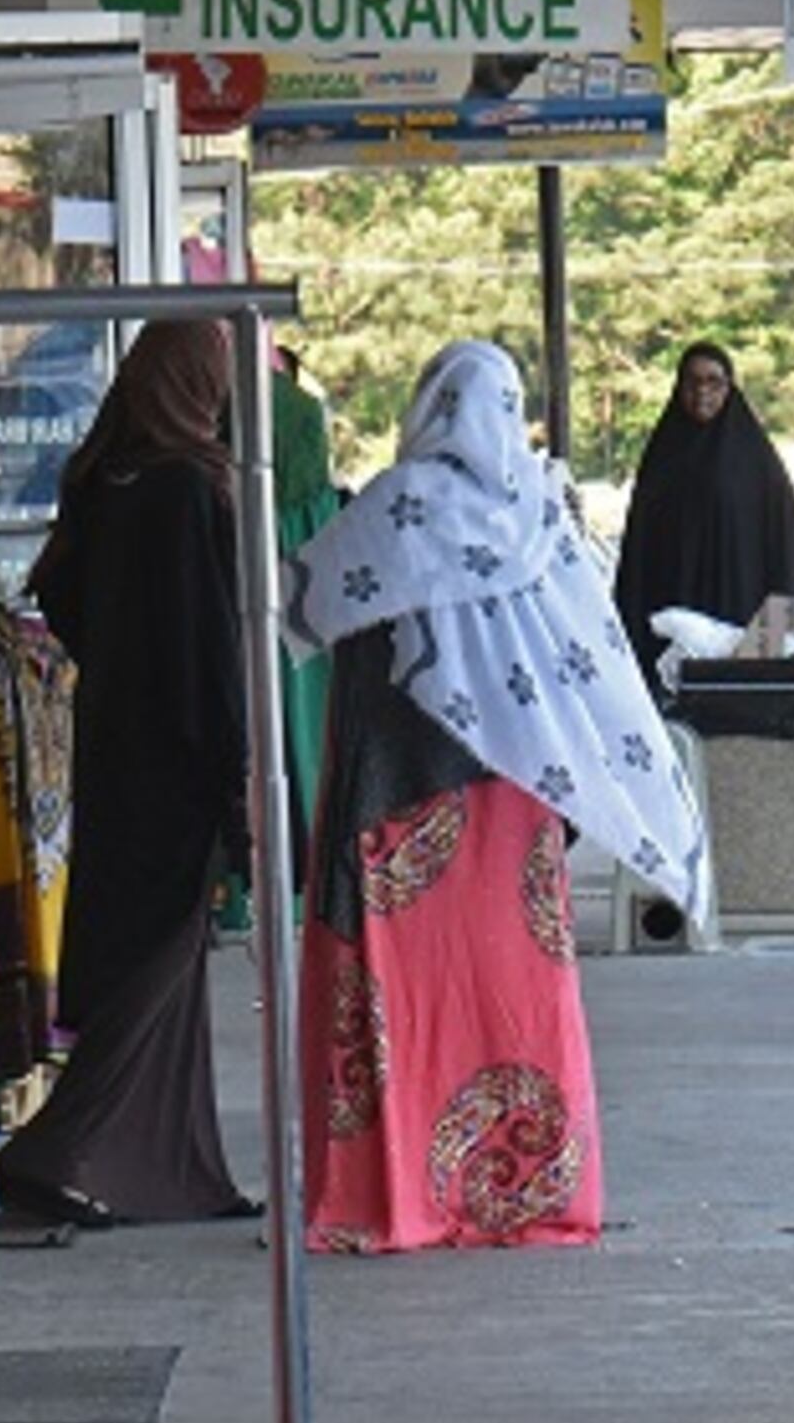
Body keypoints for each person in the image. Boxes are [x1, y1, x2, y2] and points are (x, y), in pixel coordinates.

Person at [287, 341, 705, 1253]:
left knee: (403, 994)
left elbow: (292, 611)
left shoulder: (395, 511)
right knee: (514, 987)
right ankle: (526, 1194)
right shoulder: (544, 512)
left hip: (395, 805)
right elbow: (585, 657)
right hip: (515, 799)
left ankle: (390, 1196)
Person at [10, 320, 258, 1225]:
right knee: (161, 955)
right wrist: (233, 772)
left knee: (153, 953)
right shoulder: (185, 486)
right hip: (177, 749)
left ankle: (166, 1164)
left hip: (113, 741)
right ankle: (64, 1147)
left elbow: (62, 597)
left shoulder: (105, 476)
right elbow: (206, 647)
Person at [611, 340, 794, 670]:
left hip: (742, 623)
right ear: (679, 387)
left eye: (714, 382)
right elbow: (638, 552)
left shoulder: (758, 464)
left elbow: (787, 554)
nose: (702, 392)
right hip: (672, 627)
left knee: (736, 709)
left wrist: (772, 647)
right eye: (692, 381)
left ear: (729, 388)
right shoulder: (662, 457)